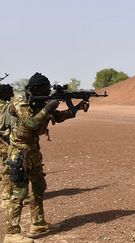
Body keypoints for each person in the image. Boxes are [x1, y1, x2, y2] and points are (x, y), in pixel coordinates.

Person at [3, 73, 86, 243]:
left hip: (33, 152)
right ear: (35, 89)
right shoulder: (20, 101)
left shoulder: (39, 102)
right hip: (19, 153)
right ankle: (11, 232)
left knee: (39, 186)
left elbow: (56, 117)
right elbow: (30, 123)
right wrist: (47, 108)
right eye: (45, 88)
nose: (48, 91)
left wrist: (75, 108)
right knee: (19, 192)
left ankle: (38, 222)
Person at [0, 84, 15, 208]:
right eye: (10, 92)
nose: (12, 94)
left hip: (5, 141)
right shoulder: (3, 106)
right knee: (7, 168)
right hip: (3, 142)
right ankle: (5, 197)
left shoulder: (5, 104)